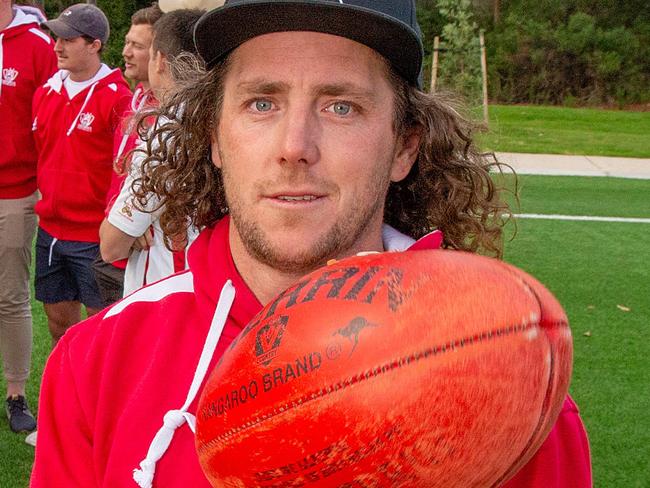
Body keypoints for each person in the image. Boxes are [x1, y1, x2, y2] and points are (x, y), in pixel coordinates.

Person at [31, 1, 592, 487]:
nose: (294, 146)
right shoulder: (95, 362)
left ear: (403, 147)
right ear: (215, 138)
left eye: (340, 106)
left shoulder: (507, 395)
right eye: (262, 102)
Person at [31, 3, 131, 344]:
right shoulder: (45, 93)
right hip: (50, 229)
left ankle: (101, 395)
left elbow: (128, 166)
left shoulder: (119, 98)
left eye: (68, 39)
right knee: (59, 324)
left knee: (101, 329)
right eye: (56, 37)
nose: (57, 46)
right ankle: (66, 391)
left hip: (94, 235)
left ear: (95, 44)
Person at [99, 8, 202, 297]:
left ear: (160, 61)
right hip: (215, 289)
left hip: (166, 295)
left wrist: (128, 224)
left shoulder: (168, 134)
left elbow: (111, 244)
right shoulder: (224, 119)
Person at [0, 0, 56, 434]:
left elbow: (52, 120)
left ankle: (16, 395)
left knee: (10, 297)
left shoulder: (36, 45)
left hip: (13, 192)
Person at [92, 2, 163, 307]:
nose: (126, 52)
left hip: (143, 253)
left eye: (137, 45)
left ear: (161, 56)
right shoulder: (134, 100)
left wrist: (141, 220)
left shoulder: (168, 117)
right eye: (126, 43)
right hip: (115, 237)